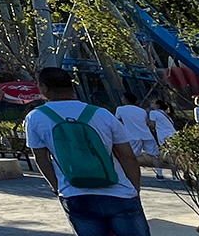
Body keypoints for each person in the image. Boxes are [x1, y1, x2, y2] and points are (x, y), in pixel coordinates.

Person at [26, 67, 149, 236]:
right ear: (72, 86)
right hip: (119, 192)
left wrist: (58, 188)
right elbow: (129, 157)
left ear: (44, 88)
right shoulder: (102, 114)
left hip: (75, 194)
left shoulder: (35, 117)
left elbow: (41, 159)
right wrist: (134, 190)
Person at [116, 93, 158, 169]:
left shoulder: (120, 109)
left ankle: (132, 171)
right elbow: (146, 122)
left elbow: (118, 122)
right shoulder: (142, 111)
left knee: (132, 157)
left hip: (132, 136)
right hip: (146, 135)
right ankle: (160, 172)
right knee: (154, 155)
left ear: (125, 99)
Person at [147, 100, 178, 180]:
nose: (151, 104)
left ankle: (161, 173)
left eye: (153, 103)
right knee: (173, 155)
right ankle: (175, 175)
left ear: (157, 105)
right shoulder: (165, 113)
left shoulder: (153, 113)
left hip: (163, 136)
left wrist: (147, 123)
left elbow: (152, 125)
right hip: (173, 134)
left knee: (164, 155)